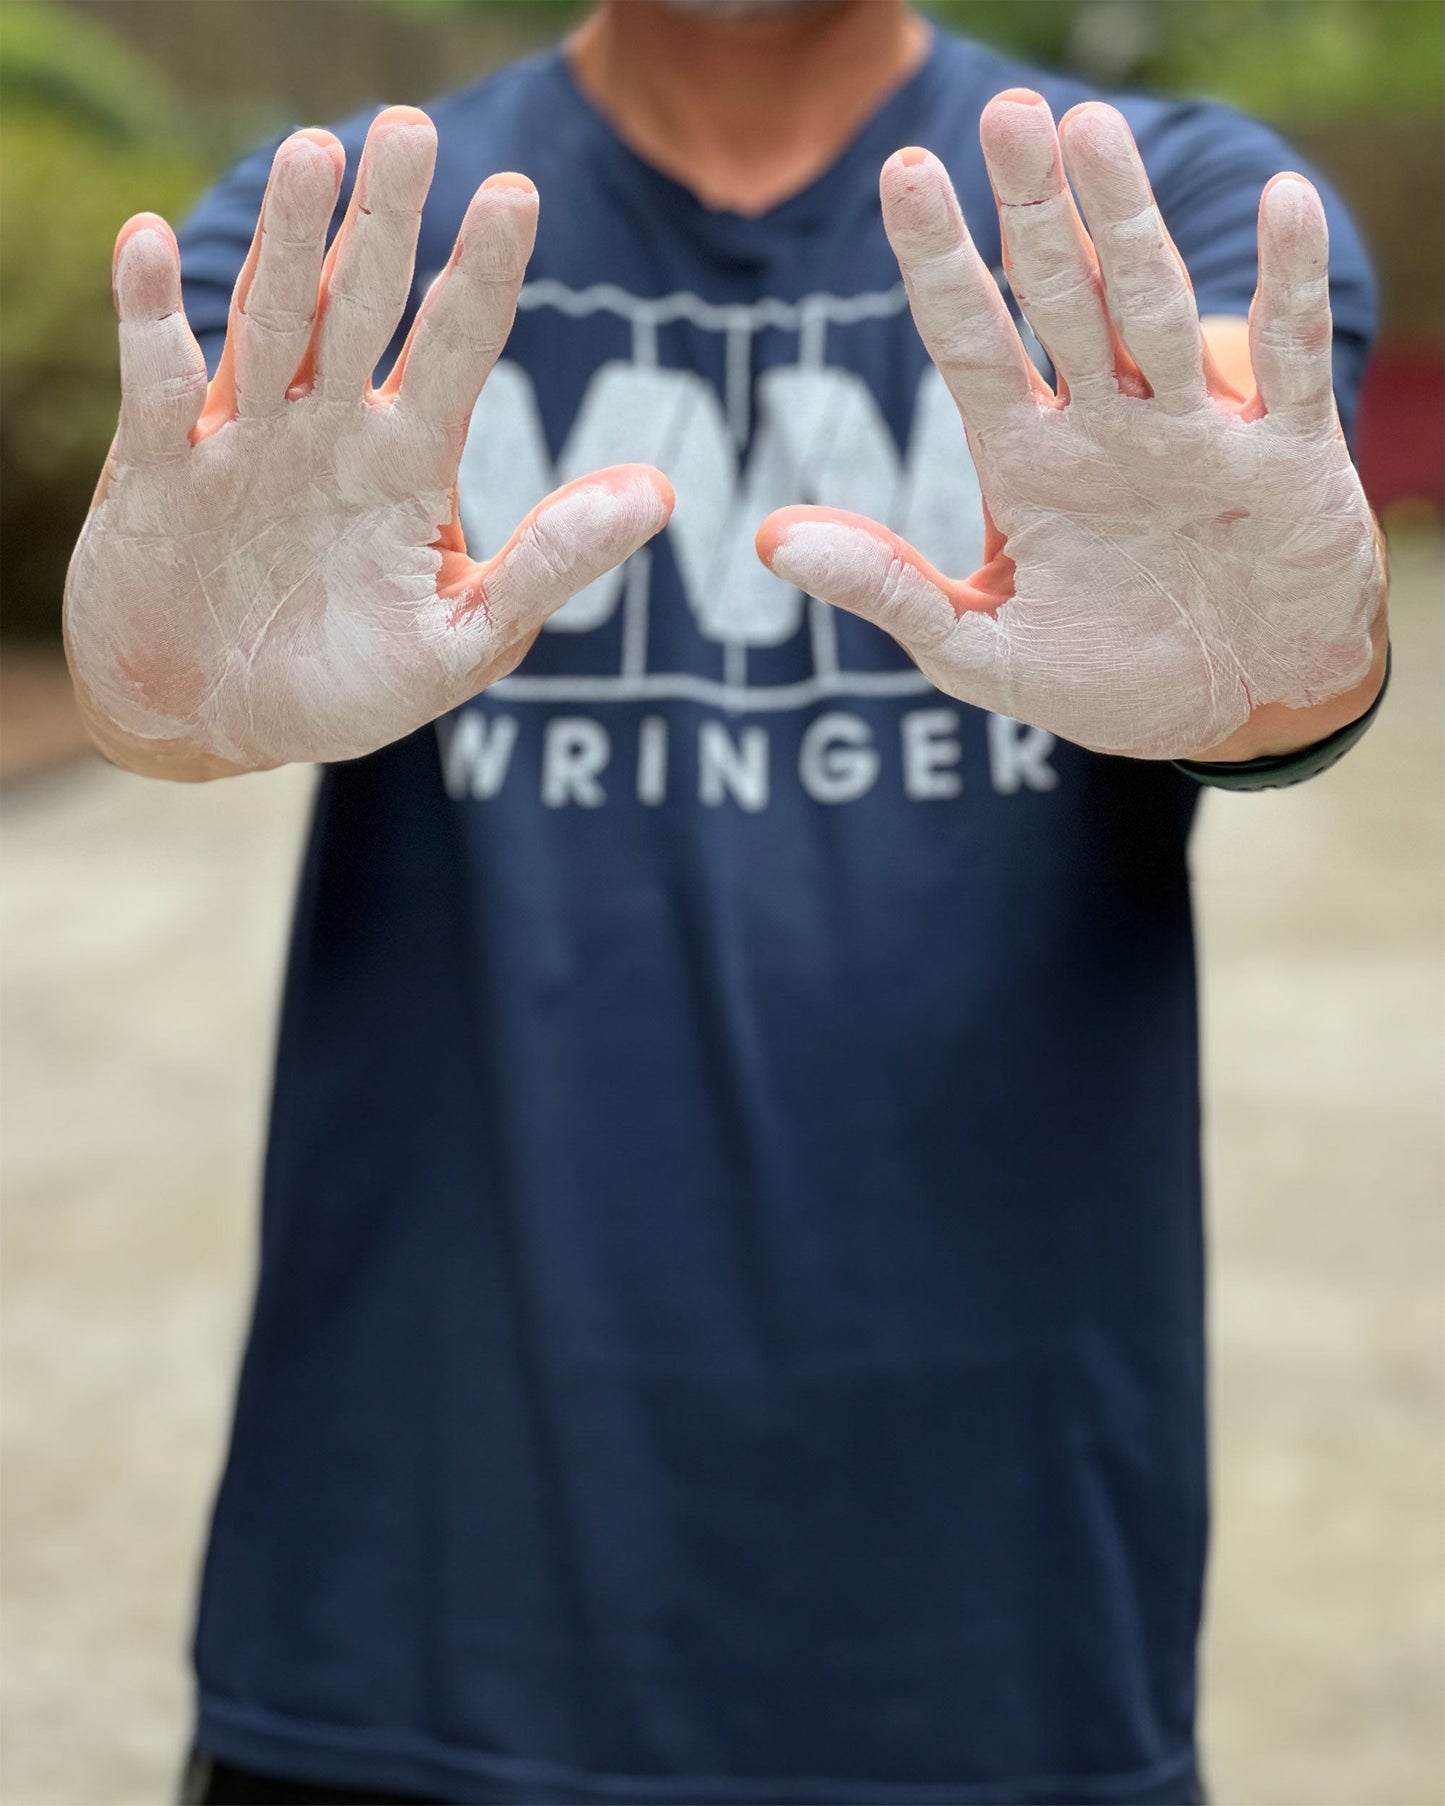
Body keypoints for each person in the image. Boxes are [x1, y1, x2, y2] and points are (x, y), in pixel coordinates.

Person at [65, 2, 1391, 1801]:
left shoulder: (1145, 206)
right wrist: (159, 700)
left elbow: (1266, 569)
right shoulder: (358, 229)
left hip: (995, 1612)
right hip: (413, 1592)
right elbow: (176, 623)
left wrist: (1288, 688)